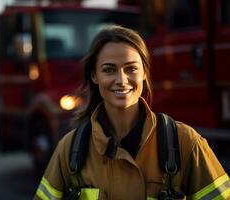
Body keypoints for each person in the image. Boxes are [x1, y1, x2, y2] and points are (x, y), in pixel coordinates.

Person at [34, 25, 230, 199]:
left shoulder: (186, 143)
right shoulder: (69, 150)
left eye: (131, 69)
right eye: (109, 70)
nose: (121, 80)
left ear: (145, 72)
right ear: (94, 76)